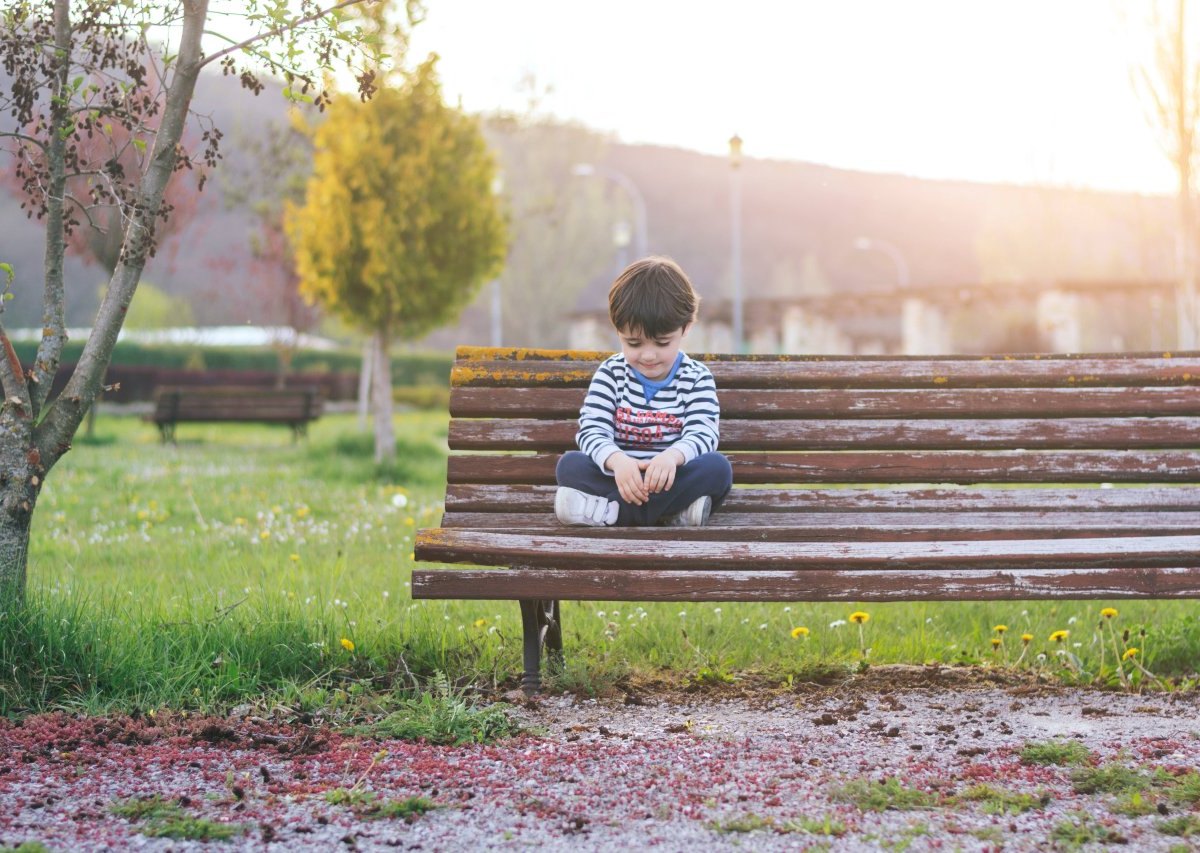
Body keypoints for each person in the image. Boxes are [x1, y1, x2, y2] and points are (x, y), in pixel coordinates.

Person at [555, 256, 733, 527]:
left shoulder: (696, 378)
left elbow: (703, 433)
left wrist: (671, 458)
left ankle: (610, 513)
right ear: (618, 331)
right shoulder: (611, 374)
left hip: (672, 478)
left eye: (662, 343)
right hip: (618, 476)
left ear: (686, 328)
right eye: (634, 343)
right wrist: (617, 462)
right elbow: (592, 429)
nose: (648, 355)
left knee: (718, 470)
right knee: (569, 466)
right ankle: (672, 515)